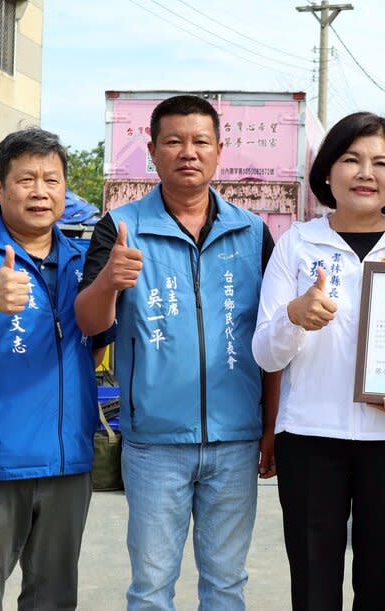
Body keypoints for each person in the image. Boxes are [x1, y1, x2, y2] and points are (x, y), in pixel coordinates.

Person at [74, 95, 278, 610]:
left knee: (227, 585)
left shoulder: (253, 232)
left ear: (218, 150)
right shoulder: (120, 227)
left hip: (236, 440)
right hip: (154, 443)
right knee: (151, 588)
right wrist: (108, 282)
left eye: (200, 141)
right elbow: (89, 325)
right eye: (173, 141)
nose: (188, 152)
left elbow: (271, 339)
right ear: (152, 151)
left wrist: (270, 426)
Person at [252, 111, 385, 611]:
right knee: (314, 582)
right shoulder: (296, 244)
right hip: (311, 438)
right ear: (326, 172)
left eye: (381, 162)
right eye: (351, 159)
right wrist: (293, 315)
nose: (366, 173)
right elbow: (264, 351)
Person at [0, 128, 112, 610]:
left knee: (53, 599)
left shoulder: (80, 259)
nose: (41, 191)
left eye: (52, 179)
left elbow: (95, 346)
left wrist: (110, 283)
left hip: (67, 459)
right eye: (26, 179)